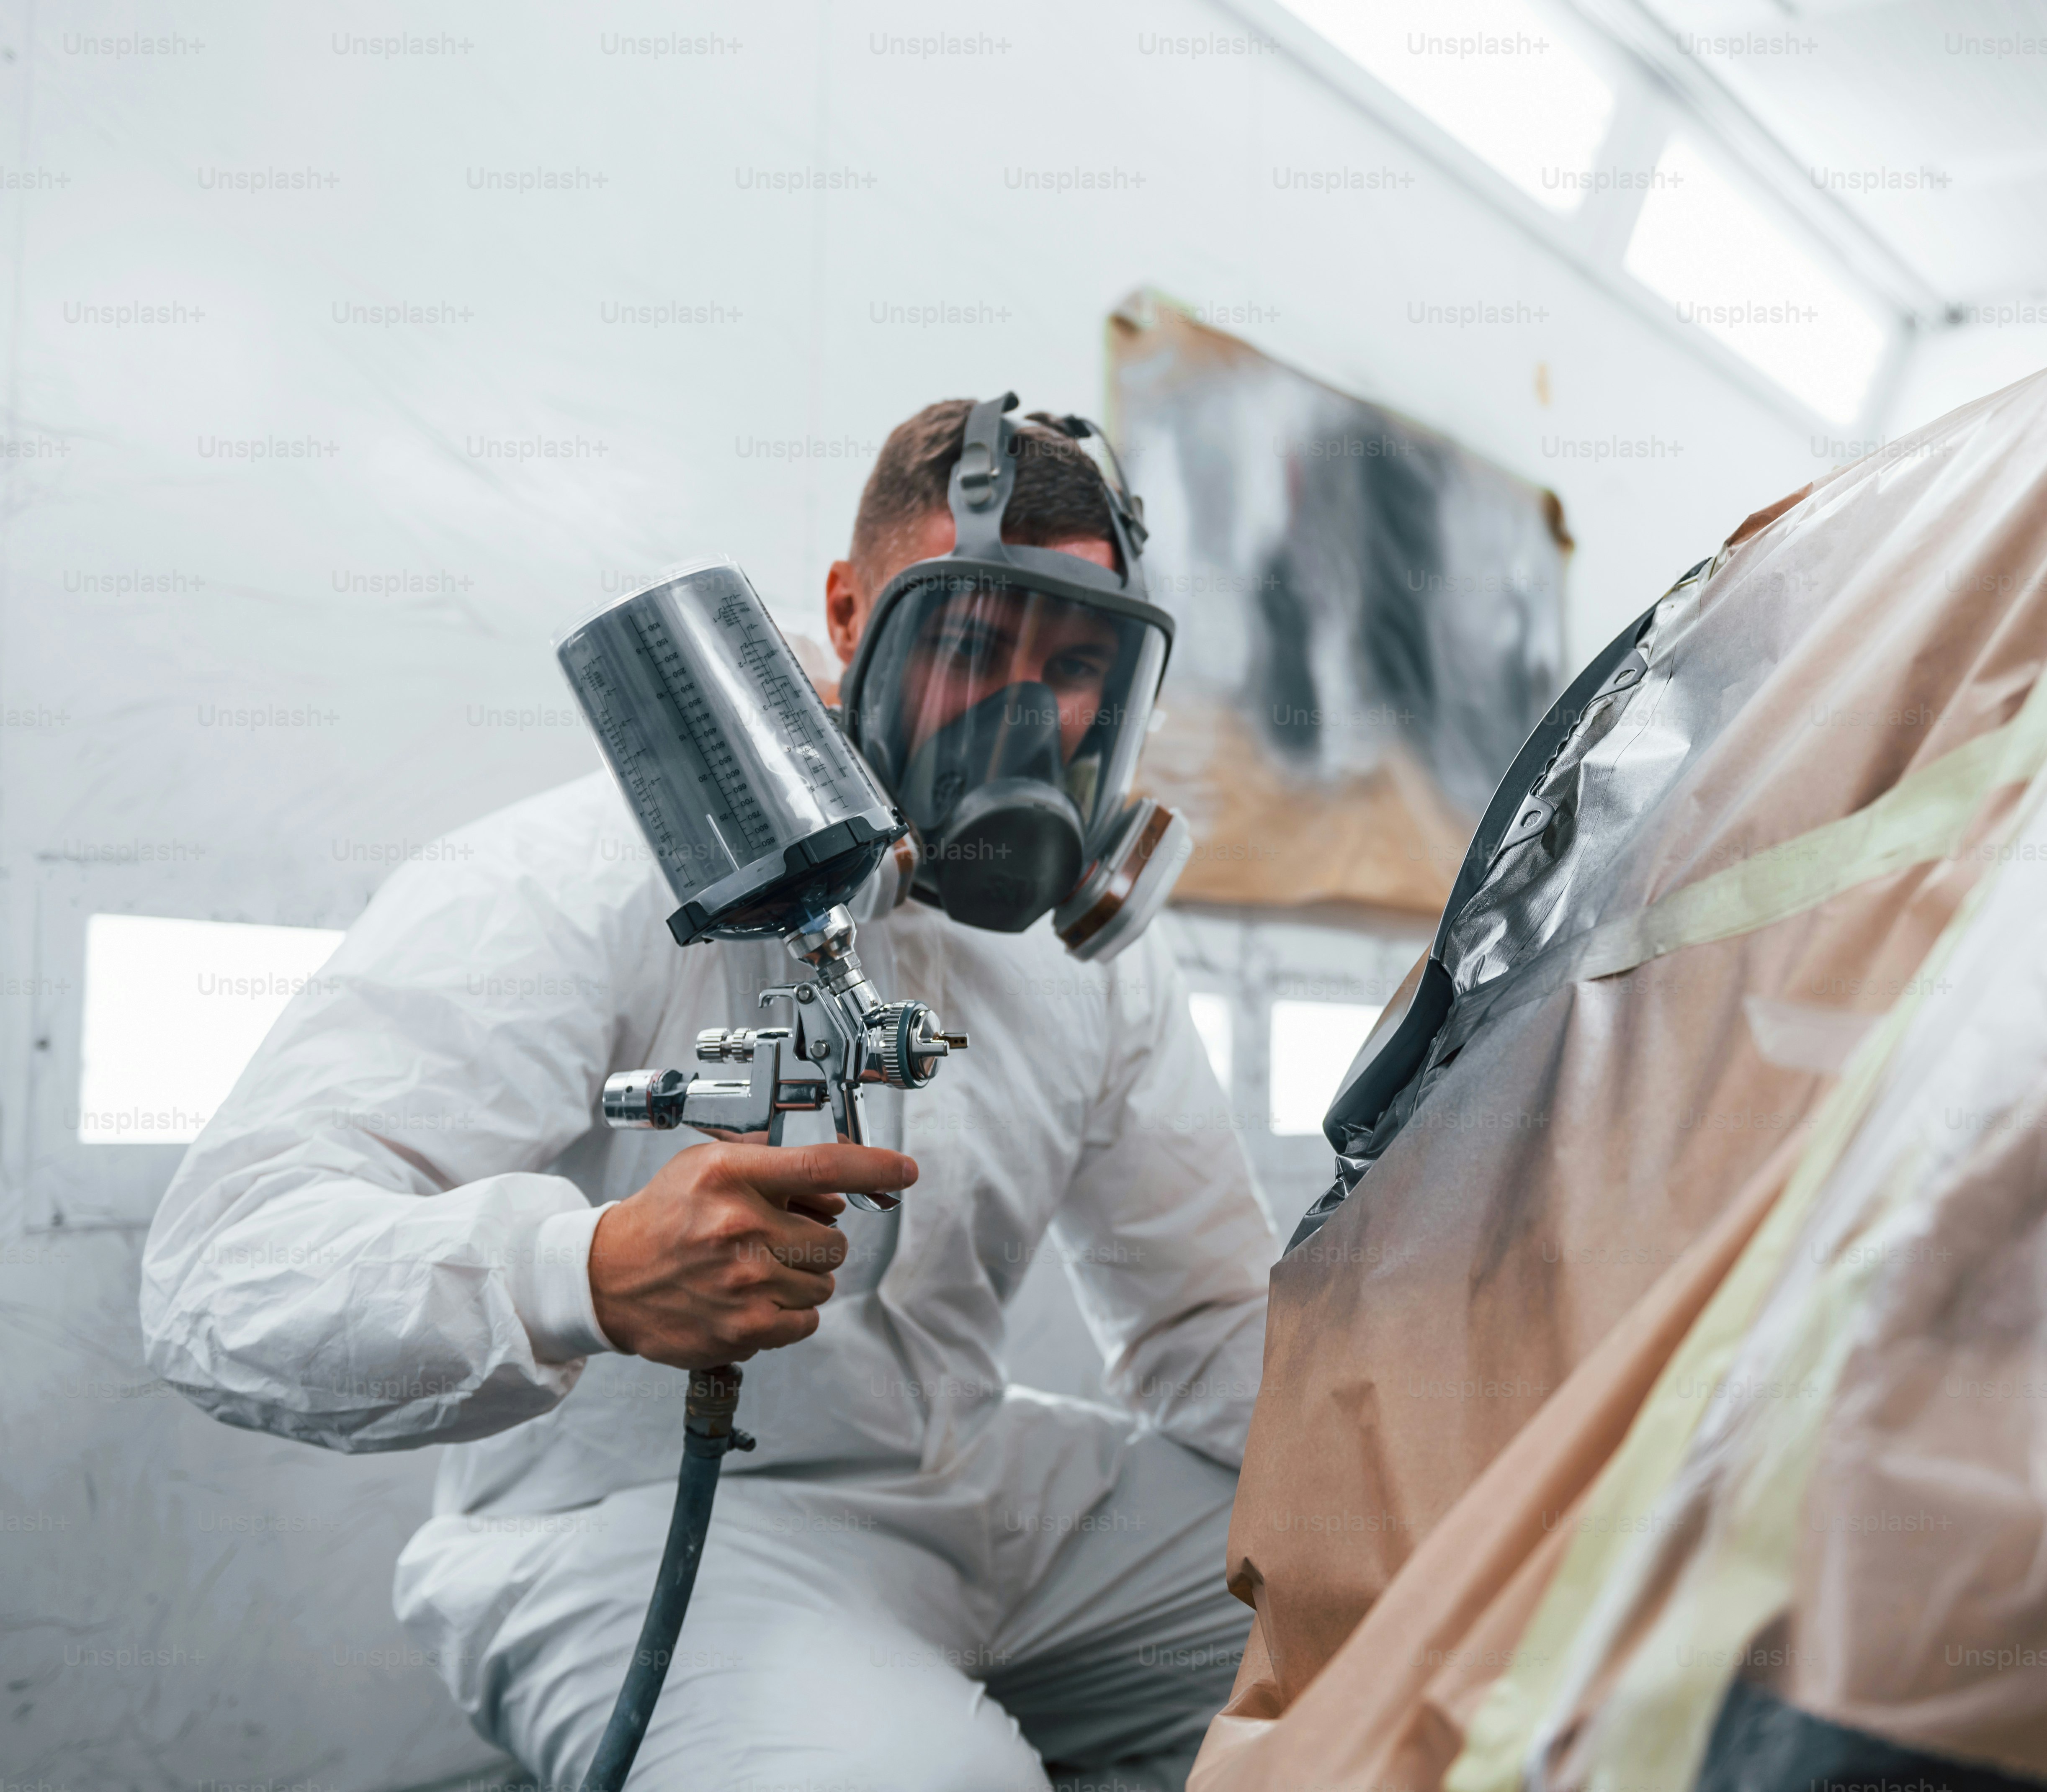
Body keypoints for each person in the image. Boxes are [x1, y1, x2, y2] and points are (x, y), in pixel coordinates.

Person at [140, 399, 1276, 1791]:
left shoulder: (1086, 964)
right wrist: (591, 1269)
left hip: (983, 1489)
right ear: (852, 614)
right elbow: (221, 1272)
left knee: (1393, 1581)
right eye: (973, 647)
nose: (1026, 717)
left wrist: (1467, 1450)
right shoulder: (577, 877)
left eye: (1078, 664)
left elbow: (1209, 1320)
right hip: (628, 1526)